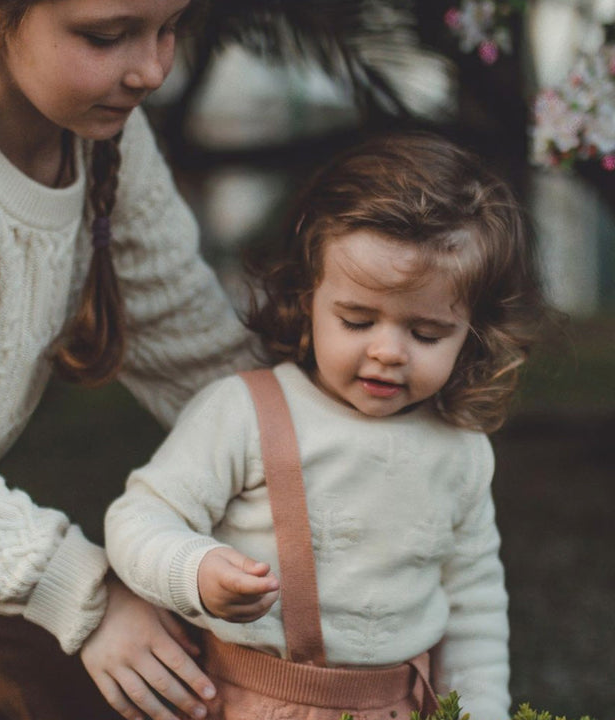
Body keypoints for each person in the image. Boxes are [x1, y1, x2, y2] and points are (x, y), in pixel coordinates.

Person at [0, 1, 259, 719]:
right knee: (66, 682)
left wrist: (305, 453)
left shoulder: (100, 130)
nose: (152, 69)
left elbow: (186, 334)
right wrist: (87, 599)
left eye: (167, 27)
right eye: (105, 35)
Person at [105, 132, 550, 720]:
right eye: (358, 320)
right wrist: (195, 569)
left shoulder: (461, 451)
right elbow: (138, 519)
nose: (389, 351)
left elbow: (474, 605)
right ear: (308, 299)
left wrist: (477, 711)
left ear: (472, 331)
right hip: (250, 702)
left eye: (426, 334)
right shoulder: (242, 411)